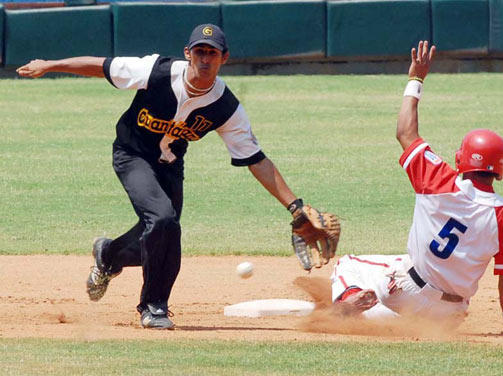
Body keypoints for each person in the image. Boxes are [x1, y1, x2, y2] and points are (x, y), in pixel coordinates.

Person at [17, 24, 317, 330]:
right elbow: (102, 65)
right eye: (199, 51)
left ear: (224, 58)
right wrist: (51, 65)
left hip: (169, 166)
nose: (204, 58)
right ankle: (153, 306)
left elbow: (255, 159)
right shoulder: (155, 71)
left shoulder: (226, 107)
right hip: (131, 154)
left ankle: (108, 254)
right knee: (163, 220)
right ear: (188, 53)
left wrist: (295, 206)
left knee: (167, 232)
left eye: (212, 53)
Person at [330, 41, 503, 335]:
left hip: (405, 289)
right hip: (450, 311)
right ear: (499, 169)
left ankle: (351, 299)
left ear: (461, 159)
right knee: (414, 294)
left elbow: (405, 132)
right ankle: (400, 323)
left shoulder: (438, 179)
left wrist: (416, 78)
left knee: (347, 265)